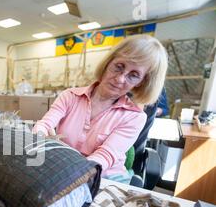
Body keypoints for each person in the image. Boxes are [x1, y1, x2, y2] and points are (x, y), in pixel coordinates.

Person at [33, 35, 168, 184]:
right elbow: (44, 124)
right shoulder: (69, 96)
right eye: (119, 67)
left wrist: (71, 173)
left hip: (105, 177)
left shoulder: (135, 117)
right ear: (108, 63)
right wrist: (39, 137)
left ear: (142, 83)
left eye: (133, 75)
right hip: (63, 169)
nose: (120, 79)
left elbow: (105, 155)